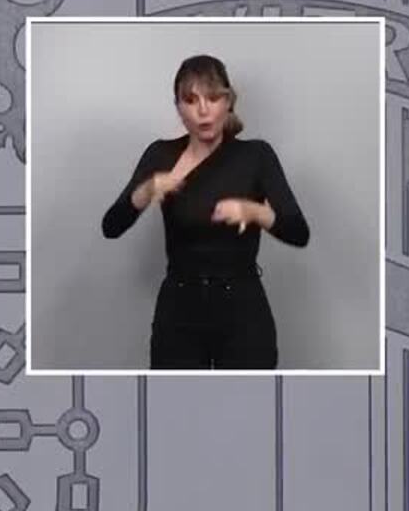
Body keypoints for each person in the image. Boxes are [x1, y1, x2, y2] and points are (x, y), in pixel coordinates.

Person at [100, 53, 309, 370]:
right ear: (178, 108)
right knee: (176, 400)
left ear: (228, 102)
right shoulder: (161, 155)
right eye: (190, 100)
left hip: (243, 310)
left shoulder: (256, 156)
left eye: (212, 98)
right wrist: (146, 191)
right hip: (179, 310)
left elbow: (298, 232)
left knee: (248, 399)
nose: (203, 110)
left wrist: (255, 212)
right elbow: (111, 226)